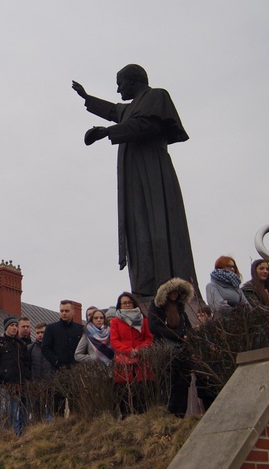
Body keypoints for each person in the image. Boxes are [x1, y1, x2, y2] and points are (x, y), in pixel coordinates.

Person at [72, 65, 199, 298]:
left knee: (156, 221)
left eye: (120, 83)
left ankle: (167, 285)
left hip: (152, 169)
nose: (118, 88)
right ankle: (145, 284)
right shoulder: (132, 108)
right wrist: (87, 97)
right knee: (138, 227)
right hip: (134, 174)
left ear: (133, 81)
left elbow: (146, 125)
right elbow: (114, 110)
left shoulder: (156, 96)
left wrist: (107, 132)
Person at [149, 278, 194, 418]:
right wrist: (179, 335)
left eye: (177, 291)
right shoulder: (157, 308)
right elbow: (154, 327)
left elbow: (189, 329)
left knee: (183, 385)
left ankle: (181, 416)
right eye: (172, 291)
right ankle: (168, 418)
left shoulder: (181, 310)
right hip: (165, 353)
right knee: (168, 387)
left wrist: (189, 337)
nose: (175, 294)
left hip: (182, 353)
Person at [110, 292, 155, 418]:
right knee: (125, 393)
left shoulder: (144, 319)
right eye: (124, 303)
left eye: (129, 302)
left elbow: (149, 338)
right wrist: (129, 350)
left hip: (142, 360)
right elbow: (114, 341)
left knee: (142, 393)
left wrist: (139, 349)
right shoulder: (115, 321)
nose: (127, 305)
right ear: (120, 305)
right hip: (124, 362)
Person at [0, 316, 29, 435]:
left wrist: (24, 378)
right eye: (12, 325)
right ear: (6, 327)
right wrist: (3, 374)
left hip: (18, 385)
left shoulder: (20, 345)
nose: (15, 328)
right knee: (4, 412)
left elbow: (26, 363)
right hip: (3, 385)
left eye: (16, 326)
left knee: (15, 413)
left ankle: (14, 436)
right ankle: (4, 436)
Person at [41, 300, 84, 371]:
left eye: (67, 311)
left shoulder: (80, 329)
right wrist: (56, 361)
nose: (64, 313)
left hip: (77, 369)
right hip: (58, 370)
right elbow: (45, 348)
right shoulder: (51, 328)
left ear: (73, 312)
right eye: (62, 311)